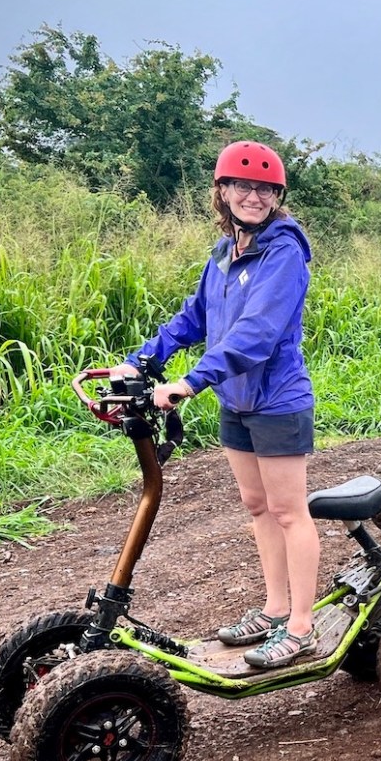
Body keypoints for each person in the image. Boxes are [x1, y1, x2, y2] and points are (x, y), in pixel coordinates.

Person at [118, 140, 322, 669]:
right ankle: (275, 609)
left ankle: (301, 627)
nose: (253, 196)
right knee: (257, 507)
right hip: (237, 399)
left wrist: (188, 383)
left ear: (277, 196)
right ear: (223, 192)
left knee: (288, 511)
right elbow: (194, 318)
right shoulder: (224, 254)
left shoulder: (283, 252)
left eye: (265, 188)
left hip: (278, 399)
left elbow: (256, 334)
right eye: (243, 185)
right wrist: (141, 360)